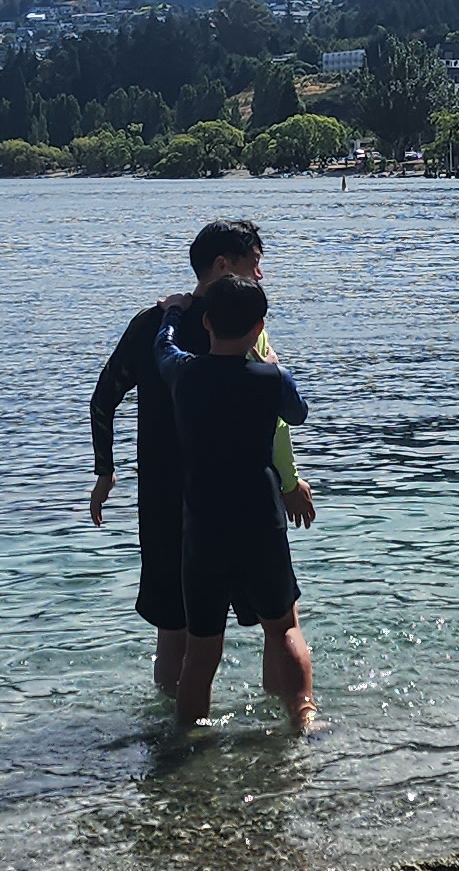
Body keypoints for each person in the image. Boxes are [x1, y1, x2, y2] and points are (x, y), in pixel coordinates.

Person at [88, 221, 313, 705]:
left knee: (178, 629)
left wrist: (105, 471)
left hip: (170, 499)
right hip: (249, 498)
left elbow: (104, 396)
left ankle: (178, 742)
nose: (260, 275)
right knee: (280, 624)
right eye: (254, 264)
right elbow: (277, 417)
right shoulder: (248, 328)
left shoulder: (154, 327)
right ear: (222, 265)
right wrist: (291, 481)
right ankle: (288, 727)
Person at [155, 275, 316, 728]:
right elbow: (298, 414)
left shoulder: (184, 375)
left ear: (206, 321)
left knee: (202, 648)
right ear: (259, 324)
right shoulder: (271, 379)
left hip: (204, 524)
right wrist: (272, 364)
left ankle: (188, 744)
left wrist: (171, 313)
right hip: (261, 518)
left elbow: (163, 348)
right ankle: (304, 717)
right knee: (283, 626)